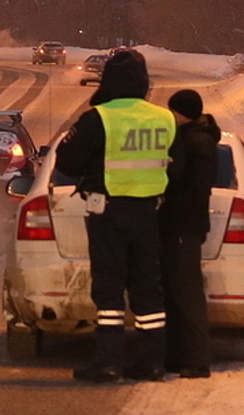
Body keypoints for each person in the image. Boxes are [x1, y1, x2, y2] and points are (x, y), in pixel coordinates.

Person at [55, 48, 176, 383]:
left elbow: (67, 161)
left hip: (107, 212)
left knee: (109, 289)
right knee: (148, 288)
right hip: (149, 213)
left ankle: (108, 362)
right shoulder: (163, 118)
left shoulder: (99, 118)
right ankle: (152, 361)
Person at [161, 88, 222, 378]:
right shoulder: (194, 137)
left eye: (172, 110)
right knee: (175, 293)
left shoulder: (197, 141)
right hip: (181, 225)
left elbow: (195, 188)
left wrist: (169, 202)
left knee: (187, 293)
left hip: (184, 225)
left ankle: (197, 360)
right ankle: (178, 357)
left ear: (180, 111)